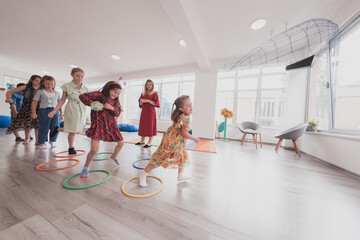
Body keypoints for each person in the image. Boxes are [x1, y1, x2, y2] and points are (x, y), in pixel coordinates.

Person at [138, 95, 200, 187]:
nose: (191, 107)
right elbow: (184, 133)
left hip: (176, 140)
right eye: (187, 105)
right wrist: (195, 138)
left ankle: (180, 175)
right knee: (160, 157)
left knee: (181, 155)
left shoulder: (183, 115)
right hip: (172, 141)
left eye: (190, 104)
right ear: (181, 109)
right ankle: (143, 173)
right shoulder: (185, 118)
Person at [78, 81, 124, 178]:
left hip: (111, 125)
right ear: (109, 89)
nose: (116, 95)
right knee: (94, 150)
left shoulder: (115, 101)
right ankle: (86, 167)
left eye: (118, 94)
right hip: (98, 125)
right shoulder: (98, 95)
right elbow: (82, 96)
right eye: (114, 92)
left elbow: (117, 113)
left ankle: (114, 156)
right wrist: (93, 103)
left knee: (121, 143)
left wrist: (111, 108)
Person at [48, 68, 88, 154]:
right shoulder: (67, 86)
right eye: (77, 76)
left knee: (77, 129)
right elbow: (62, 100)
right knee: (73, 130)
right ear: (72, 75)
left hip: (82, 108)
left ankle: (58, 129)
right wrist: (55, 110)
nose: (80, 78)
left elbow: (87, 100)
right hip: (72, 108)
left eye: (82, 76)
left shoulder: (85, 88)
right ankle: (71, 148)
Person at [5, 75, 41, 144]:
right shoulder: (26, 87)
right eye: (36, 81)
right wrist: (8, 98)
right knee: (28, 124)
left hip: (37, 107)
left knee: (37, 125)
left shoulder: (40, 89)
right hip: (27, 107)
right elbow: (9, 92)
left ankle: (37, 140)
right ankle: (27, 138)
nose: (38, 83)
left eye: (39, 81)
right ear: (31, 80)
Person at [31, 76, 62, 149]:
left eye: (52, 84)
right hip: (44, 111)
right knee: (43, 127)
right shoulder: (40, 92)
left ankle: (53, 141)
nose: (50, 86)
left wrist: (61, 112)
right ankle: (42, 142)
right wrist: (33, 112)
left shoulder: (57, 93)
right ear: (43, 83)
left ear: (54, 84)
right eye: (48, 84)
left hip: (55, 111)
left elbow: (59, 103)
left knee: (55, 127)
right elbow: (34, 102)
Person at [136, 79, 160, 148]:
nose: (149, 86)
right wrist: (142, 101)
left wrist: (147, 100)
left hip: (151, 112)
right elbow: (140, 105)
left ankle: (149, 142)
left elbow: (156, 103)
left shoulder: (154, 93)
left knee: (150, 126)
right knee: (143, 125)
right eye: (147, 84)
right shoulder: (143, 93)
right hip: (144, 112)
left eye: (150, 85)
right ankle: (142, 141)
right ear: (145, 85)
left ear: (152, 86)